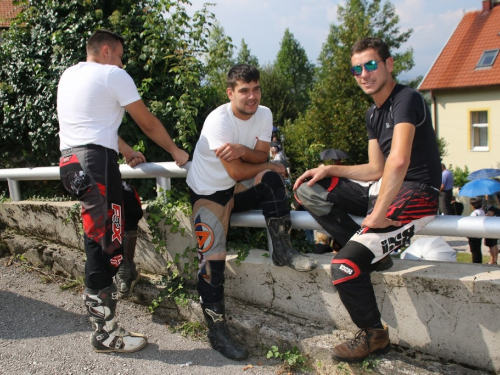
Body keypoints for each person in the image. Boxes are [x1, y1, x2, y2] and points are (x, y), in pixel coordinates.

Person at [294, 37, 441, 363]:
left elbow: (399, 162)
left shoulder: (408, 98)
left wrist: (378, 213)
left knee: (344, 266)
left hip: (417, 193)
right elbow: (376, 168)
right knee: (308, 187)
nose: (364, 73)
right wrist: (329, 168)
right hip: (385, 187)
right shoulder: (372, 114)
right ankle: (373, 253)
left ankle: (374, 334)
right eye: (357, 68)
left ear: (389, 65)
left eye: (371, 65)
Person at [57, 29, 189, 353]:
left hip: (71, 163)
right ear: (106, 51)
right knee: (105, 246)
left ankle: (122, 275)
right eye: (119, 55)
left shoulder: (69, 76)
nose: (121, 61)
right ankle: (105, 333)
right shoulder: (112, 74)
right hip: (96, 165)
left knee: (126, 207)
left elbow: (94, 125)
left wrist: (127, 150)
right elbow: (147, 122)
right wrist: (176, 151)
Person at [186, 64, 317, 361]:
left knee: (270, 181)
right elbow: (235, 171)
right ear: (230, 93)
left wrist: (247, 152)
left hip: (238, 186)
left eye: (256, 89)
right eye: (244, 91)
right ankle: (217, 333)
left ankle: (283, 249)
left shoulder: (265, 113)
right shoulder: (218, 121)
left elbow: (257, 154)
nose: (252, 96)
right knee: (211, 264)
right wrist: (268, 163)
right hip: (209, 192)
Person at [468, 197, 485, 264]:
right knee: (478, 250)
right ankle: (479, 262)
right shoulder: (482, 211)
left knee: (474, 251)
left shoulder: (474, 213)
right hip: (479, 234)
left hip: (474, 234)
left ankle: (475, 263)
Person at [484, 194, 500, 264]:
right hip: (496, 227)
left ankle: (492, 261)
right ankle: (495, 260)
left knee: (491, 245)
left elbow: (488, 216)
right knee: (495, 244)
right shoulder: (497, 206)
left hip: (491, 228)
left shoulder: (492, 208)